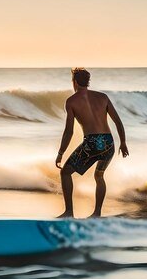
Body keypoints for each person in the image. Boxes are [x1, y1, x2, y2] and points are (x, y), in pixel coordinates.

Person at [55, 68, 128, 218]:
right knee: (99, 176)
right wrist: (123, 142)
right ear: (87, 81)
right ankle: (97, 213)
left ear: (74, 82)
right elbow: (118, 122)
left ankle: (69, 212)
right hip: (108, 143)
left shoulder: (71, 101)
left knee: (65, 172)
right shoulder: (103, 97)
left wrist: (61, 153)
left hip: (92, 143)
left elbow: (69, 131)